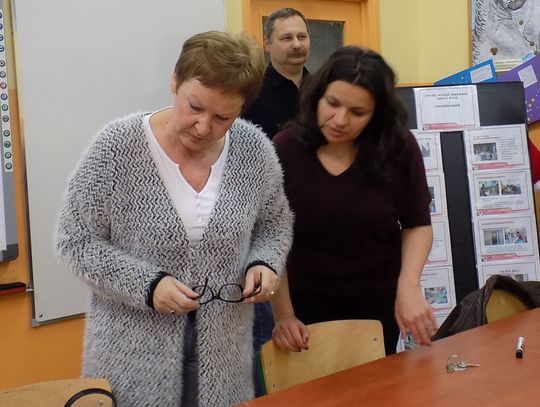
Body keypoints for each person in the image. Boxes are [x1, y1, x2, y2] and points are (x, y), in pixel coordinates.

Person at [55, 31, 293, 407]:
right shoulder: (116, 147)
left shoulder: (254, 151)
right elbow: (75, 242)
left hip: (224, 359)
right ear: (175, 81)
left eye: (223, 118)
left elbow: (274, 224)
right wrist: (148, 285)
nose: (203, 127)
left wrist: (263, 263)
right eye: (194, 107)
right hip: (131, 360)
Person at [270, 46, 436, 356]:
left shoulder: (397, 148)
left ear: (377, 115)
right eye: (332, 104)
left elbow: (417, 224)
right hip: (303, 301)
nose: (340, 120)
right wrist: (284, 315)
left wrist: (409, 286)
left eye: (358, 112)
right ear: (317, 96)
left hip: (377, 300)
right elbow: (271, 237)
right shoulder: (287, 148)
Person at [242, 7, 310, 139]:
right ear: (267, 45)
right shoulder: (251, 93)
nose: (297, 44)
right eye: (287, 38)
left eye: (302, 37)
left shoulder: (321, 89)